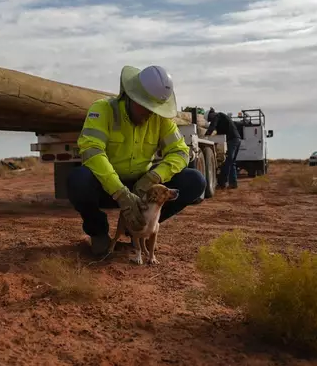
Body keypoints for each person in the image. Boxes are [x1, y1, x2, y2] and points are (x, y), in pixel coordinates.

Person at [66, 65, 207, 256]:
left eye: (155, 108)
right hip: (107, 187)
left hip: (142, 187)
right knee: (78, 180)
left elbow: (180, 152)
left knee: (195, 181)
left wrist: (153, 177)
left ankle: (140, 228)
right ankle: (98, 233)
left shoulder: (159, 119)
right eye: (146, 107)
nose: (151, 113)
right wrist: (121, 193)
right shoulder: (103, 110)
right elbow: (92, 151)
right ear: (130, 96)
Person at [204, 108, 241, 189]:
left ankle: (222, 183)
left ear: (211, 114)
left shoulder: (218, 115)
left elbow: (212, 126)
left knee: (228, 161)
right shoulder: (222, 118)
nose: (211, 120)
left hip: (232, 140)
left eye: (210, 119)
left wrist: (205, 136)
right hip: (237, 139)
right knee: (231, 162)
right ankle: (233, 183)